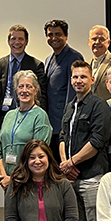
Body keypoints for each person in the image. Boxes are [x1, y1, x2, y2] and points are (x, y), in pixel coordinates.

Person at [59, 60, 111, 221]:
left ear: (92, 79)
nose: (78, 81)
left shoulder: (99, 106)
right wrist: (64, 163)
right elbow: (62, 136)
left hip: (92, 177)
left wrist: (72, 161)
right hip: (71, 178)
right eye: (75, 77)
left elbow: (97, 141)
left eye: (83, 77)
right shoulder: (71, 106)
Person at [0, 70, 52, 190]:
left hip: (29, 182)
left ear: (36, 90)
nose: (24, 90)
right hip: (7, 182)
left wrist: (13, 179)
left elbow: (38, 155)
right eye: (21, 86)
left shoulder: (40, 116)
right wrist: (4, 176)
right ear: (16, 90)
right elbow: (0, 148)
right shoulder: (9, 115)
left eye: (29, 87)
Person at [0, 25, 48, 137]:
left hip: (27, 115)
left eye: (21, 39)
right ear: (8, 41)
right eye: (13, 38)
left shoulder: (36, 65)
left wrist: (39, 118)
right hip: (5, 116)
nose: (17, 42)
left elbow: (42, 95)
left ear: (26, 41)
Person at [43, 19, 84, 160]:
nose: (54, 38)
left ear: (66, 36)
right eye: (50, 34)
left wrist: (65, 124)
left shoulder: (73, 57)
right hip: (50, 122)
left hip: (63, 124)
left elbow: (74, 93)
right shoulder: (49, 59)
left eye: (58, 34)